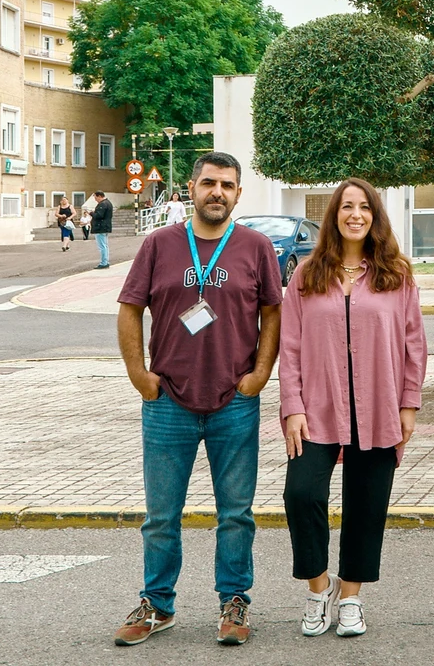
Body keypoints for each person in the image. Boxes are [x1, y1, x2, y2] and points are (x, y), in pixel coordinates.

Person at [113, 152, 284, 647]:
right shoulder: (159, 244)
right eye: (209, 183)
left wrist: (259, 374)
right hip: (168, 400)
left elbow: (272, 313)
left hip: (234, 400)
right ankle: (158, 604)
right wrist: (138, 375)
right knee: (161, 516)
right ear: (192, 188)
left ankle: (234, 602)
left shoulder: (254, 247)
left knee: (236, 513)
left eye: (227, 185)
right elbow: (129, 309)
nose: (217, 192)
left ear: (237, 194)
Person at [280, 177, 426, 639]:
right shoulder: (306, 275)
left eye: (364, 207)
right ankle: (318, 587)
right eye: (346, 207)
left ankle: (351, 598)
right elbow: (290, 347)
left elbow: (414, 345)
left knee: (367, 505)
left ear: (375, 216)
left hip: (379, 406)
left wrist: (409, 404)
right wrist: (292, 406)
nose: (355, 214)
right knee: (301, 494)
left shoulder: (396, 274)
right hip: (317, 408)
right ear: (334, 215)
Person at [91, 190, 116, 269]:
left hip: (100, 227)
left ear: (99, 196)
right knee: (104, 245)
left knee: (102, 246)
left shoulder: (103, 204)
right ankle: (105, 261)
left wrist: (91, 213)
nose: (95, 199)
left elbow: (99, 215)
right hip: (105, 226)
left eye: (95, 197)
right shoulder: (108, 203)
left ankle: (104, 262)